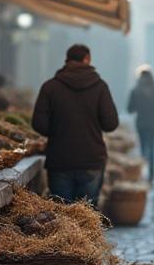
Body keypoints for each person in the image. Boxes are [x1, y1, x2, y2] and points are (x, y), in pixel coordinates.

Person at [32, 44, 119, 204]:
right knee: (88, 216)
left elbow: (38, 124)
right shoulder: (100, 87)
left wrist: (59, 130)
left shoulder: (50, 87)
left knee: (62, 215)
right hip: (91, 159)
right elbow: (111, 124)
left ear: (67, 60)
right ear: (87, 59)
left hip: (60, 160)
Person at [127, 65, 154, 183]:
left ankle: (141, 173)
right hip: (153, 123)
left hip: (141, 123)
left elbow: (130, 109)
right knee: (152, 148)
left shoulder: (135, 91)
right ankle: (150, 175)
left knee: (143, 148)